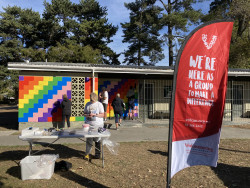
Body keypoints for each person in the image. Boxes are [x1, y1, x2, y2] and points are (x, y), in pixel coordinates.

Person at [83, 92, 104, 160]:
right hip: (89, 125)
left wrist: (95, 115)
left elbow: (103, 114)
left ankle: (97, 155)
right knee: (89, 140)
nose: (92, 101)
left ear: (95, 98)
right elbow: (84, 113)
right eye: (91, 99)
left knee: (97, 140)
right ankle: (87, 154)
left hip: (98, 125)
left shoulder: (99, 104)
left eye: (93, 100)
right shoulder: (87, 104)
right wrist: (88, 115)